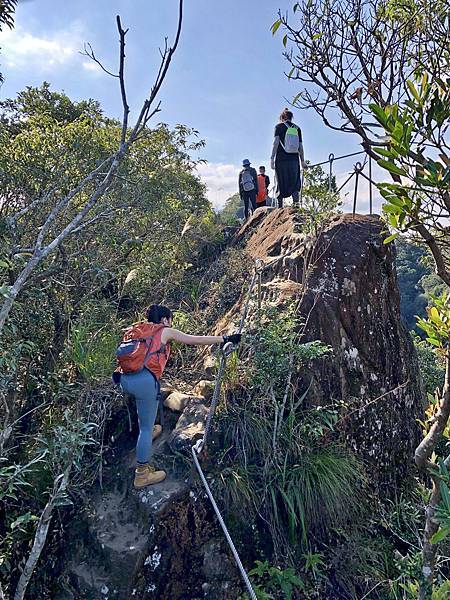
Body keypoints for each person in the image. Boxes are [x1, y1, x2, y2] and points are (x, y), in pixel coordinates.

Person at [115, 305, 241, 489]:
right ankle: (141, 474)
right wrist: (224, 338)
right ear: (165, 319)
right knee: (145, 428)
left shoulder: (138, 330)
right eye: (170, 319)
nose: (170, 322)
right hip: (144, 384)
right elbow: (194, 339)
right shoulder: (164, 331)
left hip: (124, 380)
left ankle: (148, 433)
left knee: (146, 416)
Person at [270, 108, 307, 208]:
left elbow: (275, 143)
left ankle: (280, 206)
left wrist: (272, 159)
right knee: (295, 181)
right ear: (291, 117)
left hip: (281, 159)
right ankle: (296, 205)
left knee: (280, 180)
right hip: (294, 160)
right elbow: (300, 146)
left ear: (283, 117)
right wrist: (302, 161)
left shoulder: (279, 127)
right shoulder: (297, 128)